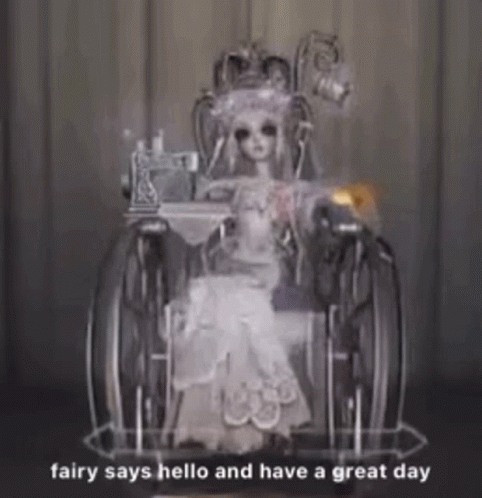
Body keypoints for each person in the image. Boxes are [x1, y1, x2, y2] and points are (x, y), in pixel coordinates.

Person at [169, 86, 311, 453]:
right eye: (244, 134)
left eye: (267, 130)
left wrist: (299, 209)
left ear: (279, 136)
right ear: (234, 142)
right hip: (234, 263)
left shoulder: (287, 191)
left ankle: (261, 421)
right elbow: (202, 207)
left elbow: (303, 229)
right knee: (215, 298)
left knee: (234, 300)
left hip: (268, 268)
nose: (257, 141)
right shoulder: (229, 187)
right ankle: (223, 424)